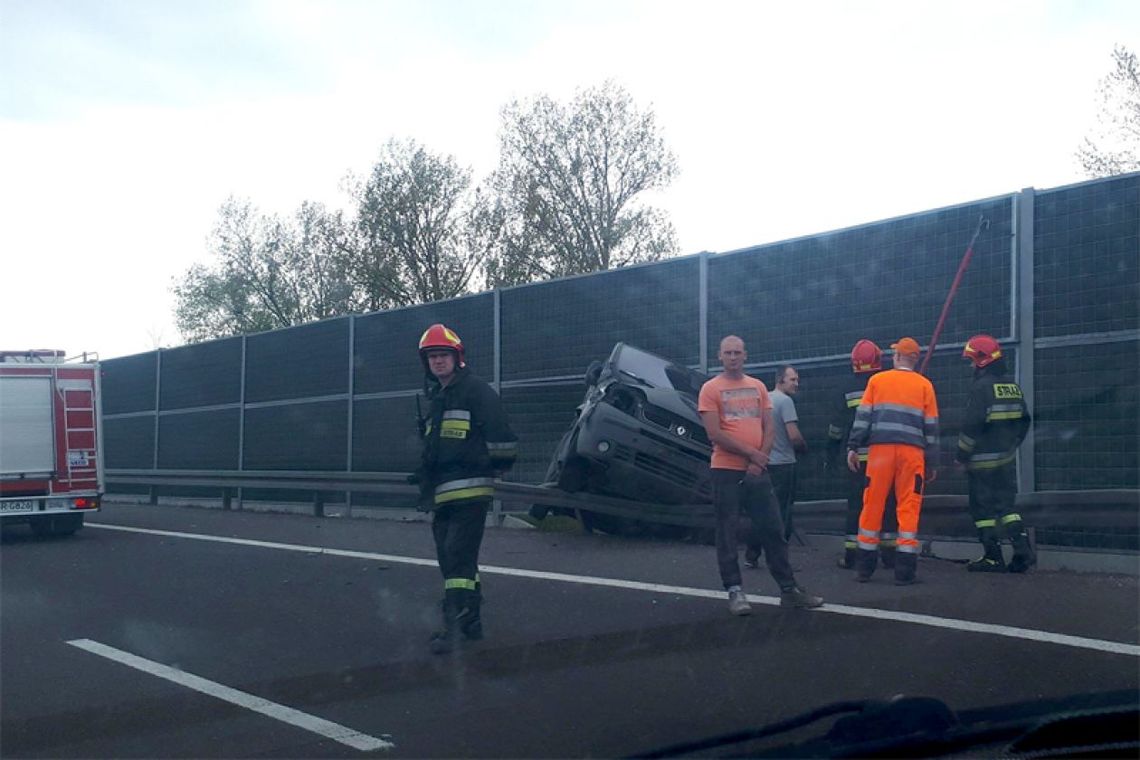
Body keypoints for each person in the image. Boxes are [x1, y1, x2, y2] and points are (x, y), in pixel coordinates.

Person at [698, 335, 823, 615]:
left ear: (745, 356)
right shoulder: (710, 389)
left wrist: (760, 458)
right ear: (719, 356)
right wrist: (751, 454)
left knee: (774, 529)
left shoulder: (757, 388)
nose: (733, 357)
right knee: (728, 531)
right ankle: (735, 591)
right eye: (728, 353)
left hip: (758, 472)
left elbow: (769, 427)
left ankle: (789, 590)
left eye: (737, 353)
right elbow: (714, 432)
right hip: (725, 471)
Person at [413, 323, 518, 654]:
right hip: (444, 492)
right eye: (432, 356)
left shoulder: (475, 390)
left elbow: (502, 435)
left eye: (443, 355)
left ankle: (456, 626)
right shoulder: (438, 399)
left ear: (457, 358)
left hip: (469, 490)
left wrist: (496, 467)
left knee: (457, 557)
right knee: (453, 560)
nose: (438, 361)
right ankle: (470, 621)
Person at [846, 337, 939, 585]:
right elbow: (931, 428)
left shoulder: (877, 381)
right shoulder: (925, 386)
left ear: (897, 356)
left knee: (872, 503)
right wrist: (932, 462)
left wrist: (853, 446)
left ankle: (864, 569)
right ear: (915, 359)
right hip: (912, 454)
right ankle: (904, 571)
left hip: (880, 451)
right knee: (908, 506)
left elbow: (863, 417)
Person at [957, 334, 1035, 573]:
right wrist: (1011, 446)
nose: (970, 365)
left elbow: (971, 427)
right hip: (1005, 461)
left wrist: (961, 455)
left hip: (980, 464)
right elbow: (1024, 422)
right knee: (1007, 508)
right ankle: (1022, 550)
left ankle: (992, 557)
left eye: (972, 360)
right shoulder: (1012, 387)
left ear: (981, 360)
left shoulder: (980, 389)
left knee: (983, 511)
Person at [827, 340, 898, 570]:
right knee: (887, 504)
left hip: (856, 458)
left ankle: (852, 555)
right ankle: (889, 554)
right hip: (885, 456)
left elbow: (836, 427)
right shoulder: (888, 384)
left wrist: (832, 452)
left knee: (857, 505)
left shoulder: (846, 388)